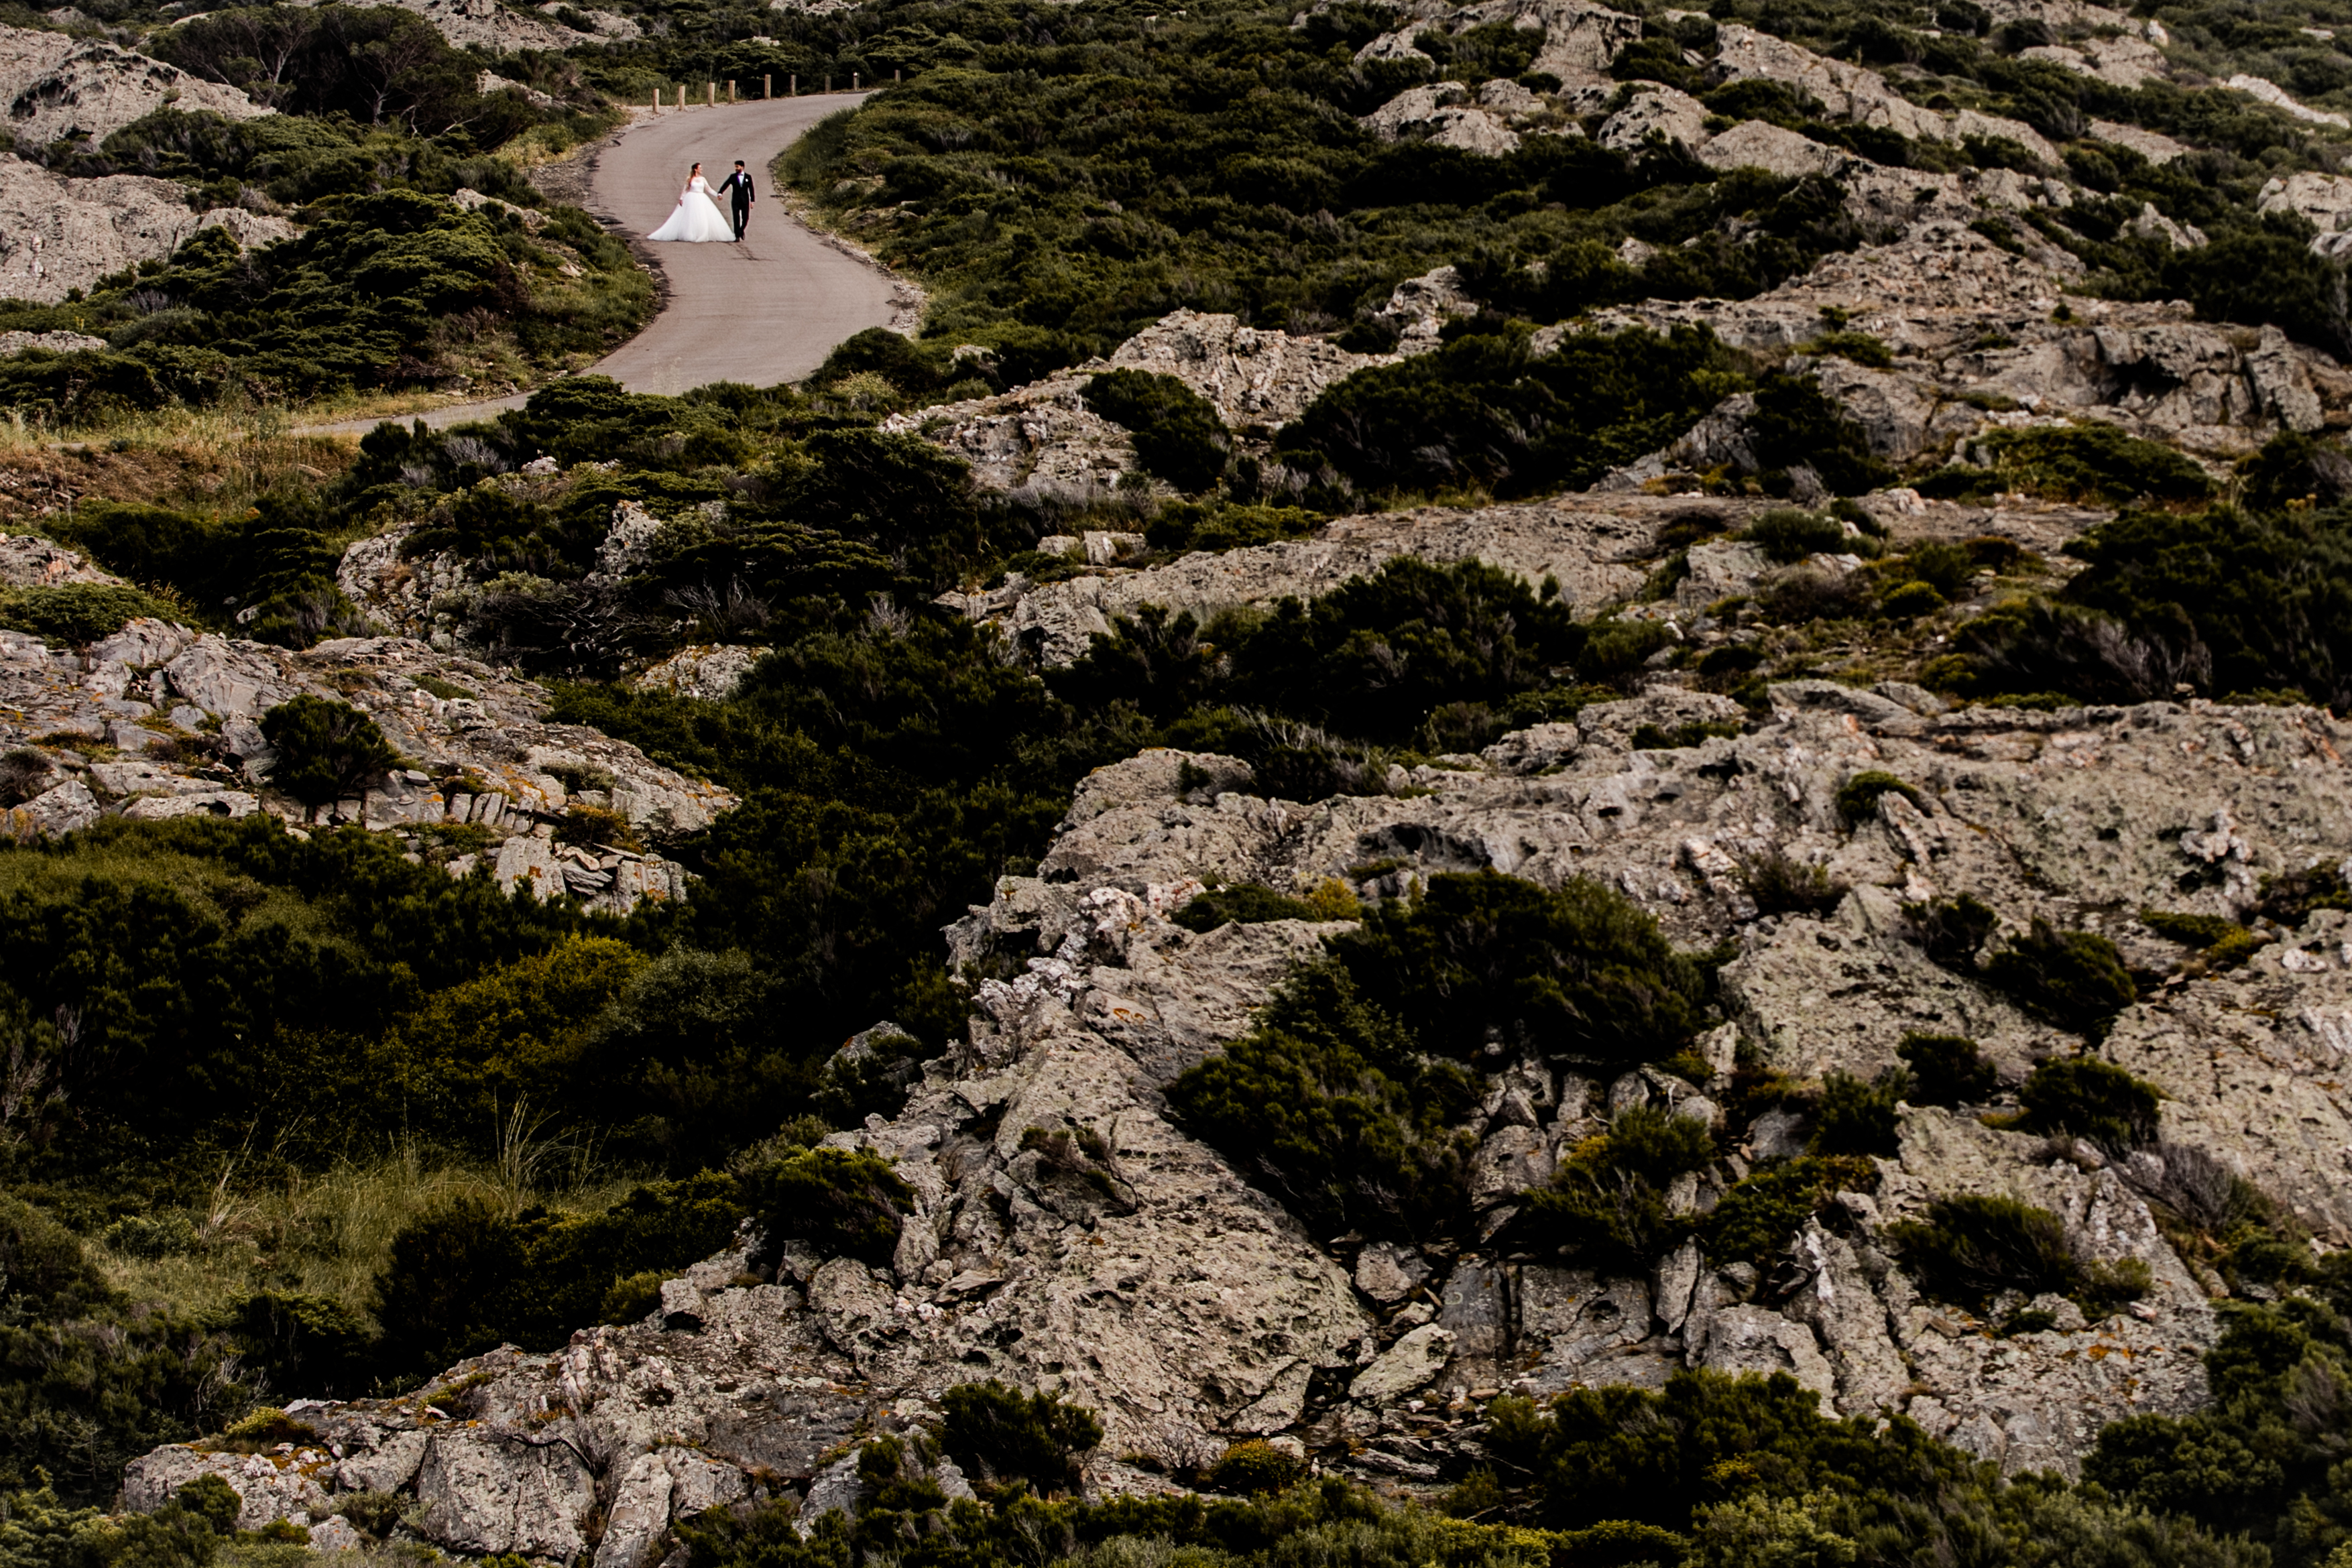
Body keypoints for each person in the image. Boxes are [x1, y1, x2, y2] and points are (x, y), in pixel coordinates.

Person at [646, 163, 731, 242]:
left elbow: (708, 189)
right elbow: (686, 189)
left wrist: (717, 195)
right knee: (691, 216)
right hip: (691, 198)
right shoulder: (690, 179)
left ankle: (700, 233)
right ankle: (690, 233)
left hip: (701, 198)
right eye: (700, 168)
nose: (701, 169)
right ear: (695, 169)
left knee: (702, 216)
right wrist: (681, 198)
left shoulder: (703, 179)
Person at [716, 160, 754, 241]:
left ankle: (741, 230)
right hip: (736, 200)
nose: (736, 168)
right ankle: (737, 236)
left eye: (737, 166)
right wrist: (720, 193)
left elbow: (751, 189)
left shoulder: (748, 177)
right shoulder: (733, 177)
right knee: (736, 217)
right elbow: (726, 184)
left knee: (746, 217)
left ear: (742, 167)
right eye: (735, 167)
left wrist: (752, 201)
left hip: (745, 201)